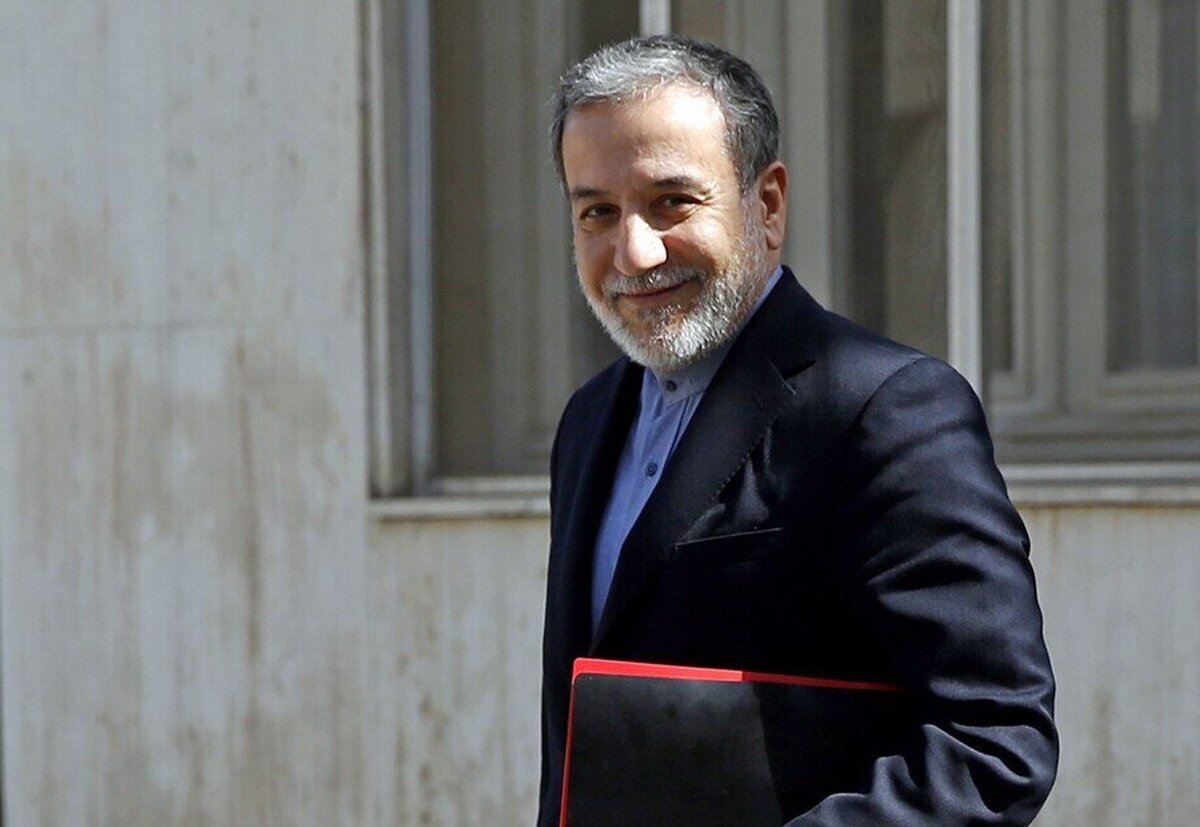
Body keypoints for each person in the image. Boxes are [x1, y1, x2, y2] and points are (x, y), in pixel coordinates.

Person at [539, 35, 1057, 825]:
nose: (634, 252)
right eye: (597, 212)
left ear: (768, 205)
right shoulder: (588, 421)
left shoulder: (887, 411)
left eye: (672, 202)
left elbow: (993, 744)